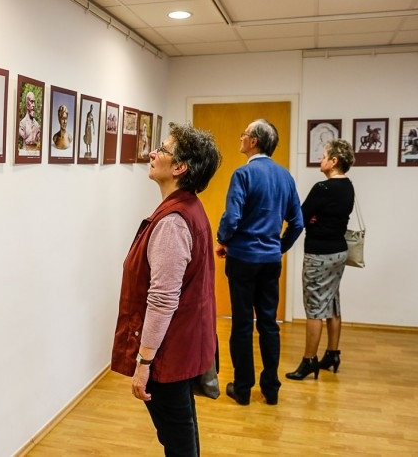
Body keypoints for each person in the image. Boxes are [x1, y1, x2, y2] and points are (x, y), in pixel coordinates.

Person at [111, 122, 221, 456]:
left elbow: (162, 300)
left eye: (162, 149)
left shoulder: (173, 222)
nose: (152, 153)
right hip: (182, 344)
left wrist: (144, 362)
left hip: (168, 354)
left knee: (178, 441)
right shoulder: (189, 207)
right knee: (183, 432)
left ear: (179, 167)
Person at [215, 119, 303, 406]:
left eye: (244, 134)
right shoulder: (285, 176)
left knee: (242, 325)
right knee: (268, 324)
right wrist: (279, 247)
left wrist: (223, 239)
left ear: (254, 141)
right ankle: (271, 388)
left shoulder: (243, 174)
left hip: (242, 259)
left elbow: (232, 218)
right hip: (270, 262)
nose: (240, 138)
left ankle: (242, 389)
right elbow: (297, 223)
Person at [286, 139, 355, 381]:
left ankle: (309, 361)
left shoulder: (322, 188)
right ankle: (332, 354)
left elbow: (301, 217)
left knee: (315, 308)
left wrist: (313, 220)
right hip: (339, 252)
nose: (321, 160)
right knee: (332, 301)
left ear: (334, 161)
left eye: (324, 156)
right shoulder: (348, 186)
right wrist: (315, 218)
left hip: (319, 254)